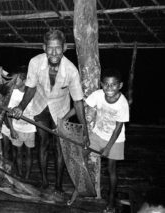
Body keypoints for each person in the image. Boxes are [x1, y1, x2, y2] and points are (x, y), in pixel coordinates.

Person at [11, 30, 90, 195]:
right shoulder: (35, 62)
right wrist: (21, 107)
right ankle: (45, 181)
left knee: (59, 147)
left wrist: (85, 130)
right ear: (44, 47)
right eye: (50, 48)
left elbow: (77, 101)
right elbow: (31, 88)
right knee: (43, 143)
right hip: (40, 107)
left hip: (60, 110)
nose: (54, 53)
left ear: (65, 47)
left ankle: (59, 184)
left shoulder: (71, 70)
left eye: (58, 48)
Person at [63, 69, 129, 210]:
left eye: (113, 85)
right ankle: (78, 190)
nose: (109, 88)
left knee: (112, 170)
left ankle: (111, 203)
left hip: (115, 140)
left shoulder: (122, 104)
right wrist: (65, 118)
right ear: (101, 84)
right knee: (80, 158)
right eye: (106, 84)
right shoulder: (98, 95)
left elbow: (117, 129)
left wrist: (108, 148)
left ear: (120, 85)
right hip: (98, 134)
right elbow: (81, 106)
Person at [8, 70, 36, 180]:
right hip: (16, 128)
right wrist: (12, 129)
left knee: (29, 153)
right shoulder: (13, 93)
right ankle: (19, 174)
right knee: (18, 152)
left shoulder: (32, 93)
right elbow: (8, 113)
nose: (12, 82)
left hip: (30, 129)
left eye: (16, 80)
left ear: (24, 81)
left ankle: (27, 176)